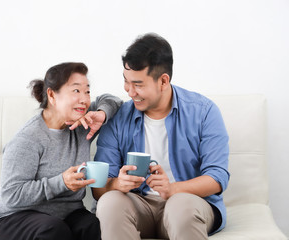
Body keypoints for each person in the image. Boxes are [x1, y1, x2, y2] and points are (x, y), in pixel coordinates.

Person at [92, 33, 230, 240]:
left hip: (187, 202)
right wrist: (117, 184)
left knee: (180, 205)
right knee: (110, 202)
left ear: (163, 81)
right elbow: (99, 187)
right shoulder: (119, 118)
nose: (130, 92)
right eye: (126, 82)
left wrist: (172, 189)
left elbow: (217, 177)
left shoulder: (204, 112)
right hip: (139, 205)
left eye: (138, 84)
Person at [0, 62, 122, 240]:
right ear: (51, 95)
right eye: (76, 91)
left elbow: (113, 100)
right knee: (54, 230)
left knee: (91, 225)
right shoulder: (28, 139)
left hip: (66, 213)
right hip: (14, 216)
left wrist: (102, 114)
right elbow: (11, 195)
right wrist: (61, 183)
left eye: (87, 91)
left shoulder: (82, 124)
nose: (84, 99)